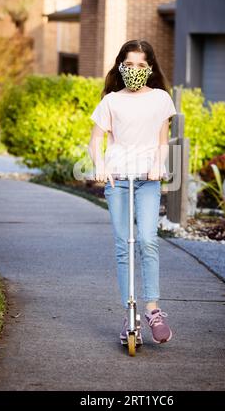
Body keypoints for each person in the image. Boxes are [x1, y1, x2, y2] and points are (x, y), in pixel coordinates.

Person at [88, 39, 177, 345]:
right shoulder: (111, 101)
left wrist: (157, 165)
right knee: (123, 245)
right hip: (117, 180)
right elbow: (94, 141)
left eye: (141, 65)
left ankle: (153, 309)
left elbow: (163, 141)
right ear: (121, 66)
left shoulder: (162, 99)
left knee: (148, 241)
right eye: (129, 64)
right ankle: (130, 310)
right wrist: (100, 165)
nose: (135, 70)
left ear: (149, 68)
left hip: (147, 179)